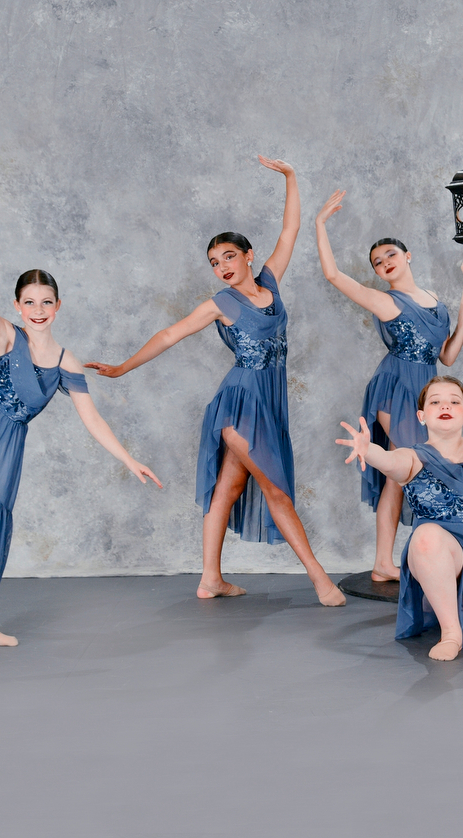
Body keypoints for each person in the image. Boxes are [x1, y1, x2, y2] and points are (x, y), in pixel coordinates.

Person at [86, 157, 346, 606]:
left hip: (269, 401)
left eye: (229, 256)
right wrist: (123, 367)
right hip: (240, 403)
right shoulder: (220, 304)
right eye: (214, 262)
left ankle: (210, 579)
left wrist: (291, 177)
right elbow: (170, 334)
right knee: (275, 489)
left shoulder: (270, 283)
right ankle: (321, 580)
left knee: (229, 486)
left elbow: (290, 231)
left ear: (248, 255)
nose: (222, 266)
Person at [0, 196, 162, 646]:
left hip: (4, 441)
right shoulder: (9, 335)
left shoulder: (66, 363)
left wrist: (128, 459)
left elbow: (92, 420)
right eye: (29, 302)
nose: (38, 310)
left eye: (45, 302)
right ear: (18, 306)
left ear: (58, 305)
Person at [314, 190, 463, 582]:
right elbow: (334, 275)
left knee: (401, 474)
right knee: (410, 467)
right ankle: (402, 559)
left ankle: (388, 562)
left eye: (390, 255)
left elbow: (449, 355)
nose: (385, 262)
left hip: (427, 388)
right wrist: (319, 224)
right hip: (395, 387)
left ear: (408, 256)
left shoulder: (434, 300)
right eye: (377, 262)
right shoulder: (386, 302)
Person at [335, 376, 463, 661]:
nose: (445, 406)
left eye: (454, 402)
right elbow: (391, 461)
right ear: (421, 416)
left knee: (431, 538)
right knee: (426, 537)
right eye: (435, 402)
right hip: (436, 552)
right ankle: (451, 634)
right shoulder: (413, 457)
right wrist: (368, 451)